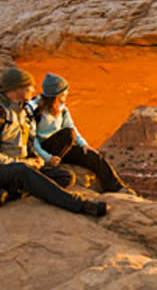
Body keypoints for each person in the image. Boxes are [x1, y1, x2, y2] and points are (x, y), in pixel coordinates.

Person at [0, 67, 107, 216]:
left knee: (65, 177)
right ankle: (81, 205)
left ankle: (9, 192)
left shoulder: (24, 111)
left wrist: (35, 158)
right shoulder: (2, 111)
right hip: (6, 167)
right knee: (22, 171)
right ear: (16, 88)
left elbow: (29, 141)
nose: (33, 89)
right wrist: (20, 163)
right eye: (29, 86)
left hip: (20, 166)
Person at [29, 72, 135, 194]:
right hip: (43, 149)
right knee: (68, 134)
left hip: (62, 147)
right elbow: (32, 140)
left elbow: (71, 126)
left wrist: (84, 145)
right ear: (57, 93)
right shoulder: (35, 108)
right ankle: (49, 168)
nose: (67, 93)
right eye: (64, 91)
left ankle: (116, 188)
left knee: (93, 157)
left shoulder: (61, 108)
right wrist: (47, 158)